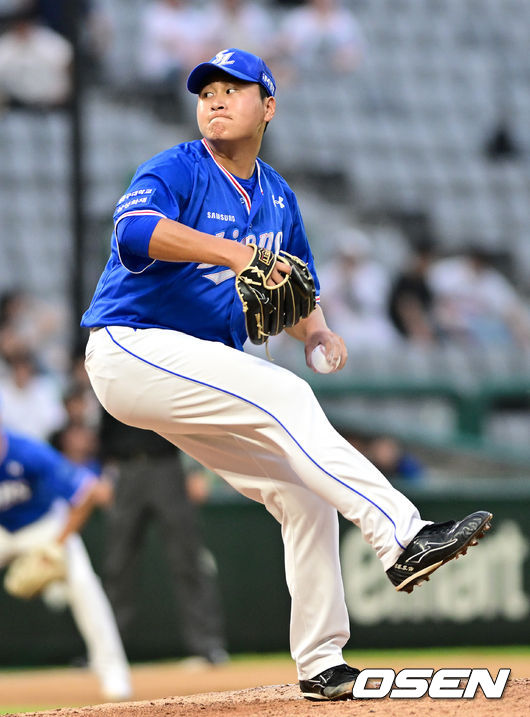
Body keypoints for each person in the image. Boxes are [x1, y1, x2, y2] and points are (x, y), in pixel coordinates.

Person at [81, 48, 492, 701]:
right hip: (132, 346)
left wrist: (320, 331)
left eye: (234, 89)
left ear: (267, 107)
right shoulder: (178, 167)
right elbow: (135, 232)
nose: (215, 99)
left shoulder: (277, 196)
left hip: (196, 367)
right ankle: (404, 533)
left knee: (303, 495)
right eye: (207, 89)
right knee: (287, 395)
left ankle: (322, 661)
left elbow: (293, 285)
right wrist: (233, 252)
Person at [0, 408, 132, 701]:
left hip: (43, 526)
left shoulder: (28, 452)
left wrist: (56, 546)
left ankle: (113, 673)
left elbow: (89, 491)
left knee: (84, 583)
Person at [99, 411, 228, 665]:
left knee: (188, 560)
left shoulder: (161, 371)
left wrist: (194, 468)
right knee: (118, 566)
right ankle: (105, 652)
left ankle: (208, 647)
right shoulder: (112, 374)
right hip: (125, 471)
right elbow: (106, 430)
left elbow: (184, 418)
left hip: (167, 466)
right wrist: (103, 471)